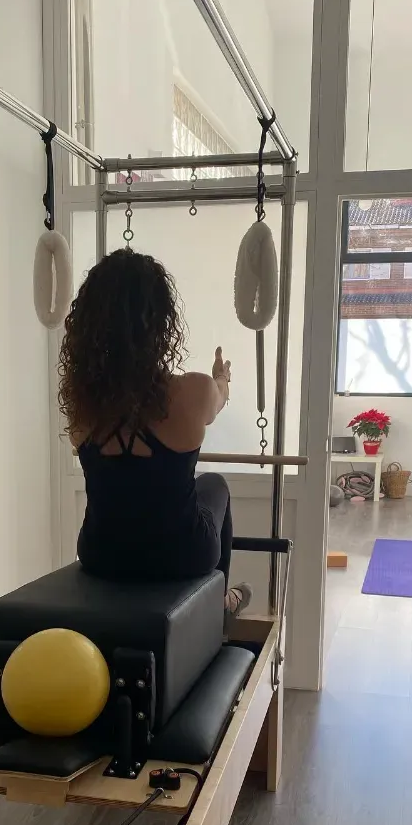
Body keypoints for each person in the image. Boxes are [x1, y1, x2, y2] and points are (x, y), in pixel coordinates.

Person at [59, 247, 251, 617]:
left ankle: (218, 605)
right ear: (160, 324)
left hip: (101, 554)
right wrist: (222, 377)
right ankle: (220, 606)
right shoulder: (193, 391)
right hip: (181, 556)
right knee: (216, 485)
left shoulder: (81, 400)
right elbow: (219, 397)